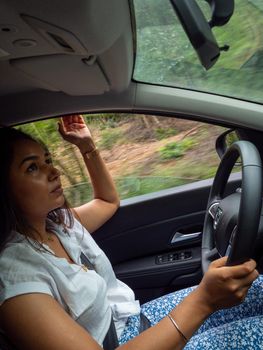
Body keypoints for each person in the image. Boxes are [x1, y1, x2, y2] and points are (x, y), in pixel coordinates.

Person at [0, 114, 261, 350]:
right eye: (32, 167)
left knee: (258, 289)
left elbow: (107, 202)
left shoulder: (58, 223)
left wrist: (86, 146)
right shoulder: (15, 276)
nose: (54, 171)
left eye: (48, 160)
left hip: (134, 319)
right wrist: (204, 300)